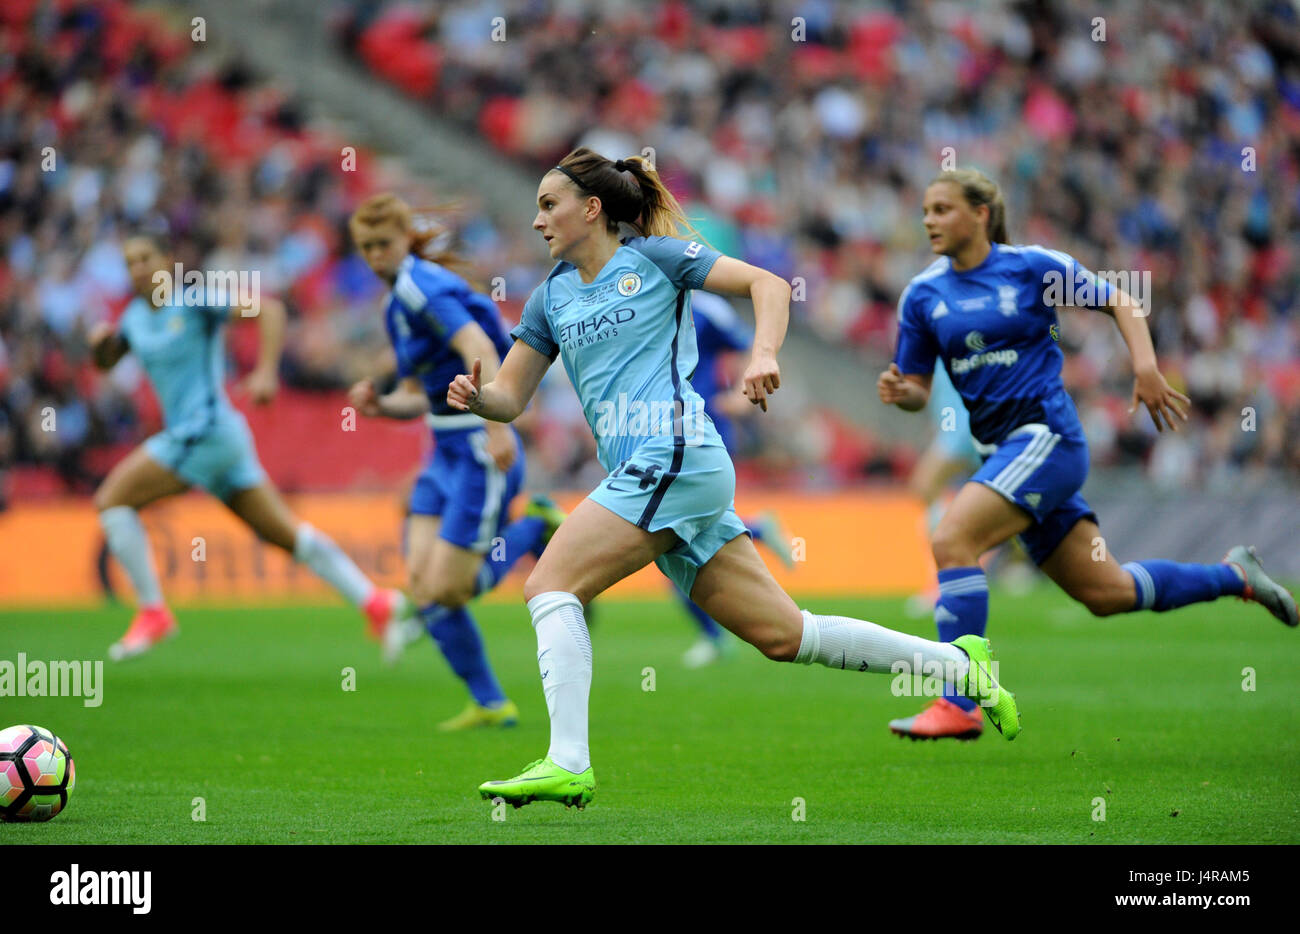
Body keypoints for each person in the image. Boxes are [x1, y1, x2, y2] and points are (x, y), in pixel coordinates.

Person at [448, 148, 1021, 811]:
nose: (538, 219)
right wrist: (478, 398)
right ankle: (961, 665)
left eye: (549, 204)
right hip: (660, 474)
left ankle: (567, 761)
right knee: (787, 637)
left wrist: (764, 355)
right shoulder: (550, 296)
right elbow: (511, 399)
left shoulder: (655, 260)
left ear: (592, 208)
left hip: (677, 454)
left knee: (550, 583)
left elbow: (769, 286)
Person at [878, 168, 1297, 741]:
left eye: (943, 209)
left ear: (980, 214)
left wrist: (1146, 368)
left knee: (953, 540)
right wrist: (905, 394)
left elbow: (1121, 301)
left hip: (1047, 438)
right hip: (1001, 455)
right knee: (1108, 593)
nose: (929, 220)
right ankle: (1236, 576)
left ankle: (960, 702)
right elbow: (920, 389)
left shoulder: (1032, 268)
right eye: (925, 210)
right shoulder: (923, 296)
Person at [90, 233, 412, 660]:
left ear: (167, 260)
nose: (138, 268)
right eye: (130, 262)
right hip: (218, 441)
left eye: (146, 257)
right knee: (286, 535)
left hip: (204, 432)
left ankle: (153, 611)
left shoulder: (196, 301)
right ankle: (376, 602)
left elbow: (270, 309)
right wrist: (99, 348)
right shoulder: (133, 317)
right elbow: (110, 360)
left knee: (112, 499)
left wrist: (265, 371)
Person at [347, 194, 564, 730]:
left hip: (474, 447)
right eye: (366, 247)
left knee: (450, 590)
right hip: (440, 451)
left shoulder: (422, 288)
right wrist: (381, 407)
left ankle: (535, 524)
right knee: (423, 589)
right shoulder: (398, 303)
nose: (376, 255)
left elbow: (481, 351)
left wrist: (497, 427)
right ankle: (491, 703)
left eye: (384, 244)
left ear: (405, 240)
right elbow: (428, 395)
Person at [674, 290, 795, 668]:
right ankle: (756, 528)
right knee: (681, 536)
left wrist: (741, 397)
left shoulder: (706, 308)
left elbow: (751, 346)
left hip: (703, 429)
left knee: (674, 536)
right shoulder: (640, 298)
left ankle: (714, 638)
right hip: (658, 432)